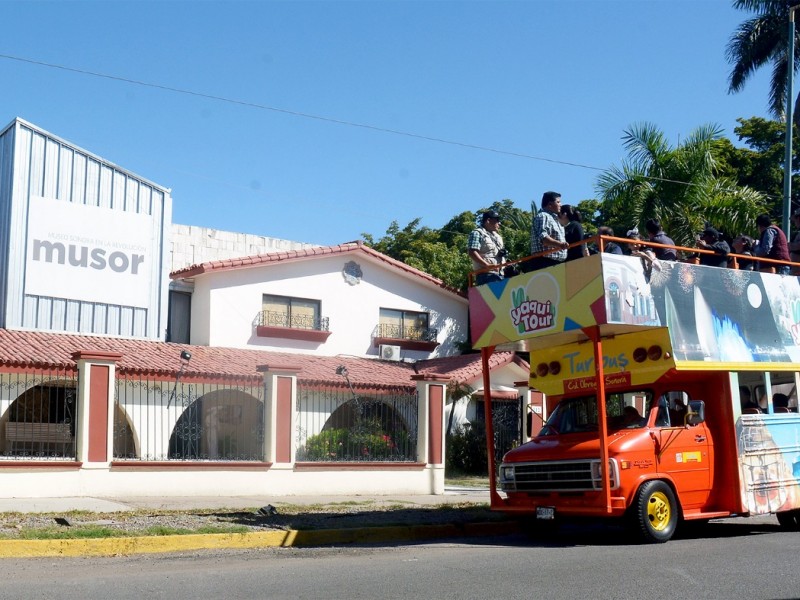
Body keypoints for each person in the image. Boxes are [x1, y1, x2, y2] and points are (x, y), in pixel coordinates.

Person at [525, 191, 569, 272]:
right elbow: (543, 238)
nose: (561, 205)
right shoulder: (543, 216)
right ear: (550, 204)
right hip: (544, 262)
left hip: (555, 263)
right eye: (558, 202)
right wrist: (560, 244)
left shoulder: (555, 219)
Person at [468, 210, 506, 285]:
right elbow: (472, 252)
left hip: (501, 275)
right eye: (497, 220)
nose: (499, 223)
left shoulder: (498, 237)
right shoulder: (477, 233)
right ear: (488, 220)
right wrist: (487, 265)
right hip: (486, 276)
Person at [789, 209, 800, 275]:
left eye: (795, 220)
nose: (795, 223)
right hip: (795, 271)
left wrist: (789, 245)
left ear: (798, 219)